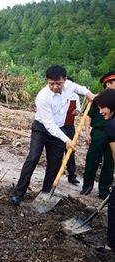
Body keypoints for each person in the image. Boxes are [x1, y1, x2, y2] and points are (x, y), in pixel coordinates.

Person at [10, 66, 94, 206]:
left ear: (64, 80)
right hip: (41, 129)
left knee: (55, 163)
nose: (55, 87)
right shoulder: (43, 97)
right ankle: (18, 193)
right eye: (51, 84)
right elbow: (49, 125)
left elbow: (81, 89)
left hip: (59, 130)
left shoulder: (69, 86)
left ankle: (46, 193)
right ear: (47, 81)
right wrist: (67, 140)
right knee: (33, 158)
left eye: (58, 83)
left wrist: (89, 94)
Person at [81, 70, 115, 199]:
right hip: (98, 132)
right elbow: (88, 116)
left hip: (113, 135)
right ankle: (87, 186)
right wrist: (87, 133)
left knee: (110, 163)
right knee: (92, 160)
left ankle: (104, 190)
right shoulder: (98, 99)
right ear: (108, 84)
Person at [92, 88, 115, 254]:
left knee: (113, 205)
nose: (100, 112)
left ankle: (111, 245)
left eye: (103, 108)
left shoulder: (111, 126)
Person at [61, 78, 81, 185]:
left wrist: (76, 111)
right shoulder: (58, 95)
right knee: (57, 151)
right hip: (59, 126)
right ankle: (55, 174)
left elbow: (78, 109)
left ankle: (72, 175)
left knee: (70, 151)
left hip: (69, 126)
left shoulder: (75, 96)